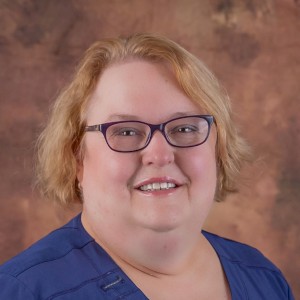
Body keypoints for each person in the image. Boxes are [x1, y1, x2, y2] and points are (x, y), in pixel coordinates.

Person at [0, 33, 294, 300]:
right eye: (126, 131)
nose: (160, 154)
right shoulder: (24, 291)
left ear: (218, 149)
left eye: (184, 128)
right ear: (77, 158)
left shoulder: (263, 278)